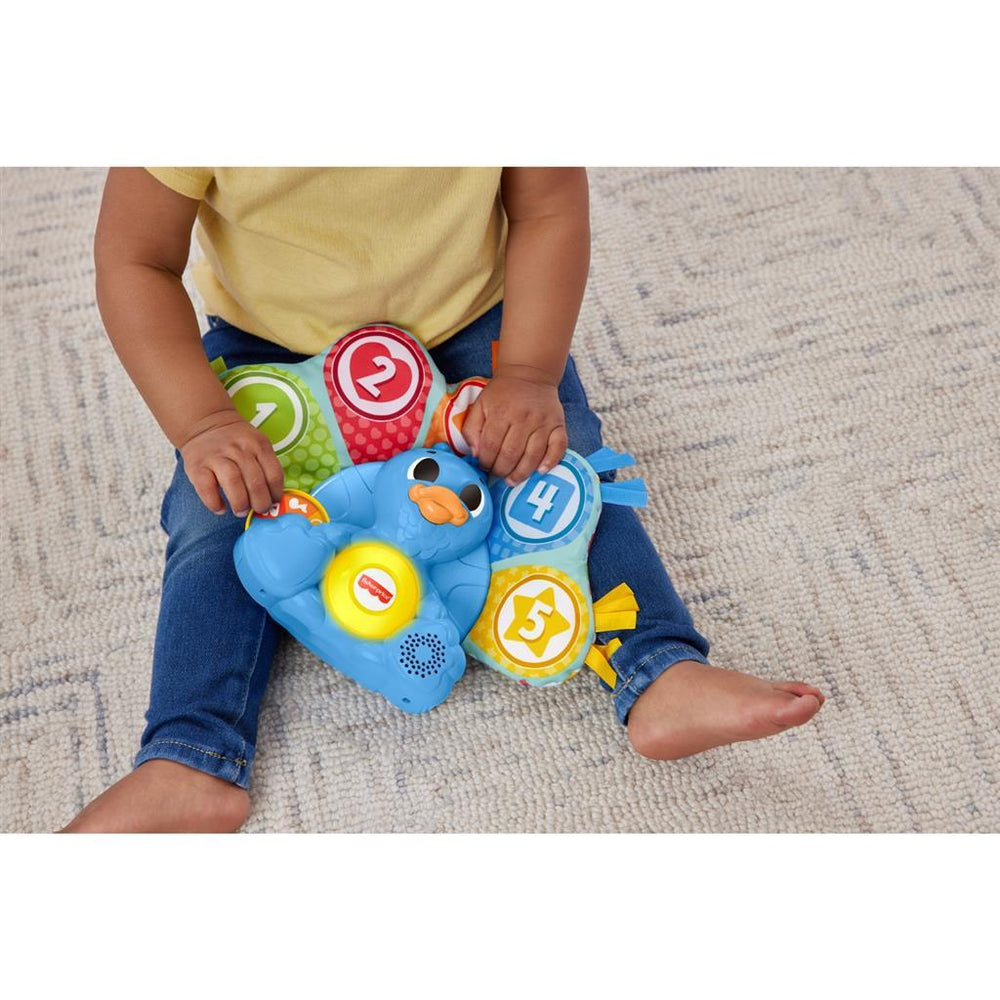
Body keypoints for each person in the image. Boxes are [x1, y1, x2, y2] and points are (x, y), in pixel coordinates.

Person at [62, 167, 824, 833]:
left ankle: (658, 667)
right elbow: (135, 257)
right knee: (216, 514)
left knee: (564, 471)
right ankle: (190, 754)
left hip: (472, 328)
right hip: (272, 350)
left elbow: (549, 205)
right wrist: (203, 424)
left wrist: (527, 375)